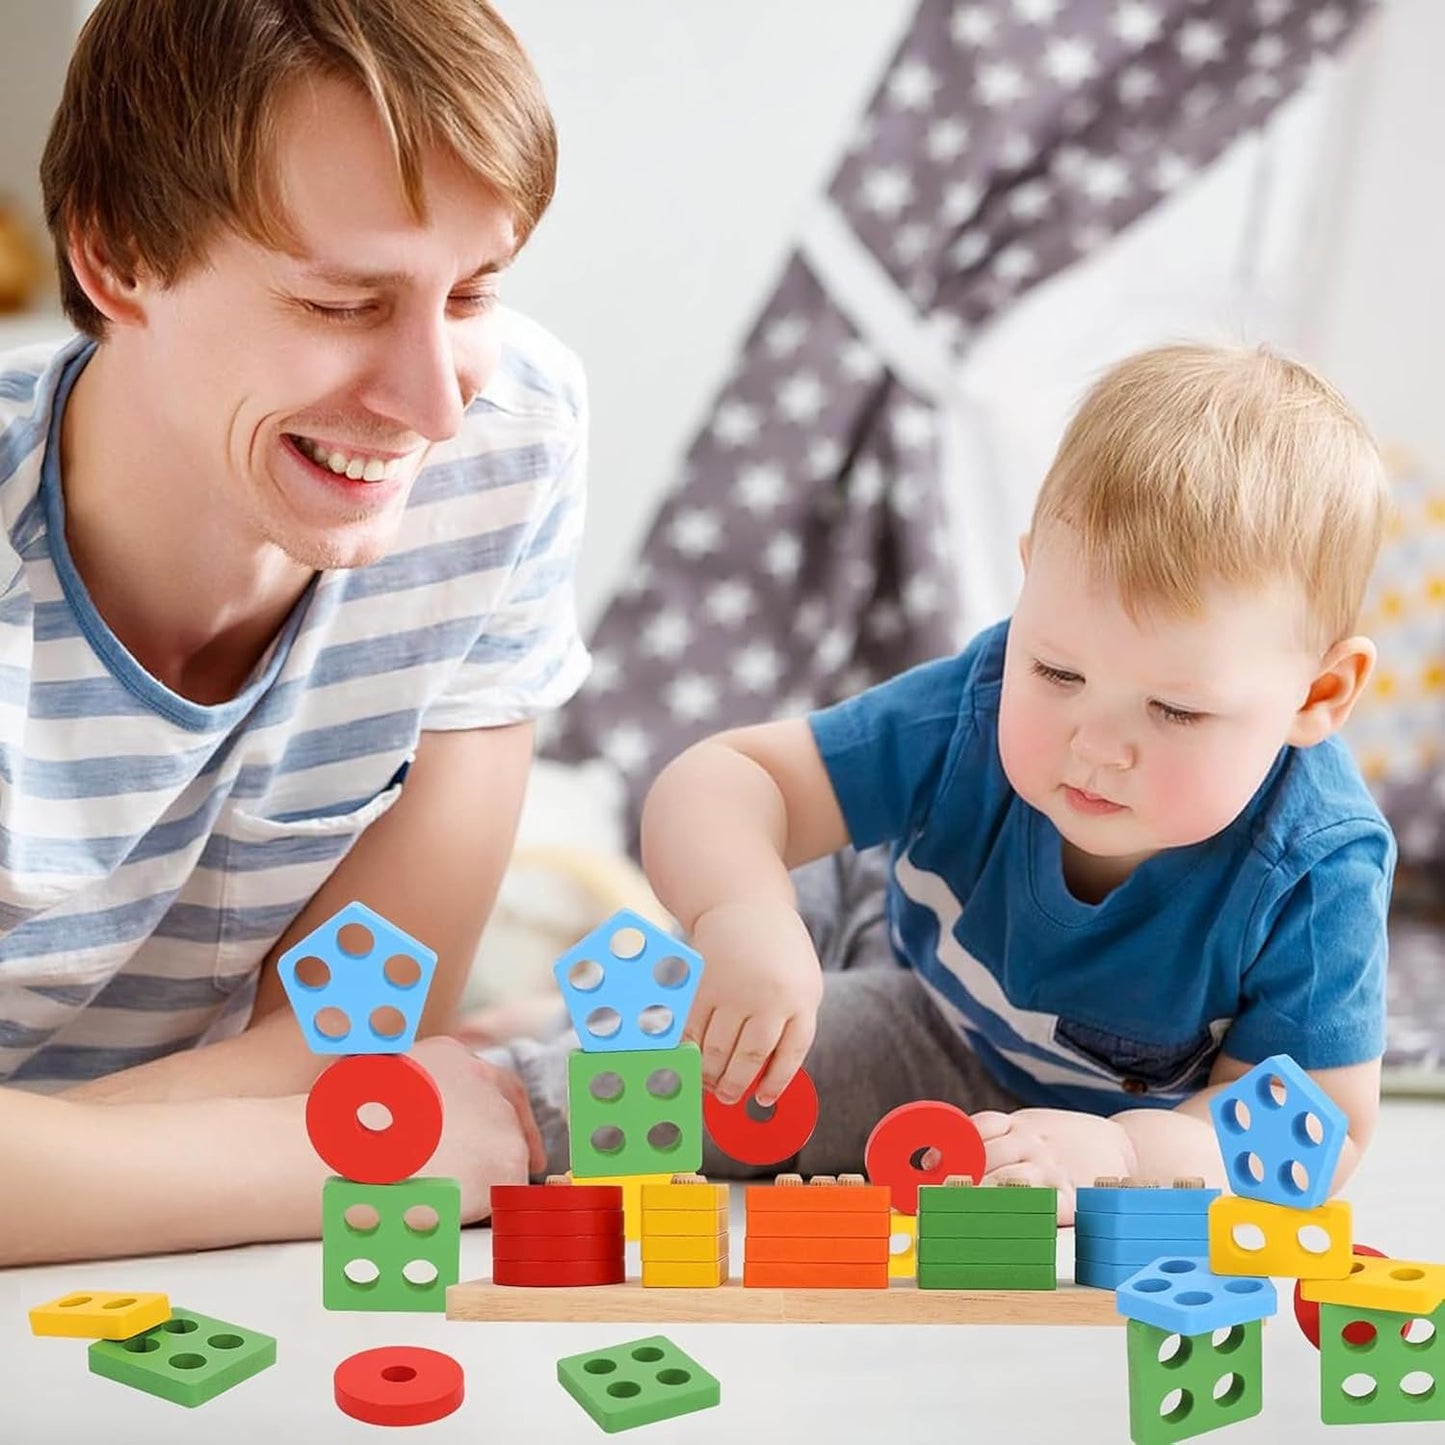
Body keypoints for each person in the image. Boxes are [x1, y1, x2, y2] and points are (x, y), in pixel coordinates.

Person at [0, 0, 589, 1265]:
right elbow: (368, 1118)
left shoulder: (510, 442)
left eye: (473, 288)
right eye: (341, 303)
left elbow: (355, 1040)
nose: (434, 402)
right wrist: (322, 1152)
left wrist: (47, 1170)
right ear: (116, 264)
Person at [628, 342, 1395, 1220]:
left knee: (741, 1071)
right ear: (1028, 583)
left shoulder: (1316, 866)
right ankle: (507, 1091)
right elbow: (727, 779)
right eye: (1058, 674)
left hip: (1049, 1096)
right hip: (912, 967)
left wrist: (1122, 1150)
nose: (1096, 747)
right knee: (706, 1013)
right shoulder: (972, 702)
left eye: (1174, 711)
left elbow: (1314, 1124)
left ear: (1318, 693)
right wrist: (742, 916)